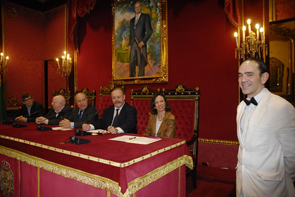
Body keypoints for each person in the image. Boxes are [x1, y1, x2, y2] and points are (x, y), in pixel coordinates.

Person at [236, 57, 295, 196]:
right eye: (240, 75)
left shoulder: (281, 107)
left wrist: (283, 179)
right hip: (242, 183)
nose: (243, 79)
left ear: (264, 78)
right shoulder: (241, 106)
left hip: (270, 187)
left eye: (249, 74)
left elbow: (292, 156)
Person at [128, 1, 153, 77]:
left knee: (140, 62)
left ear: (141, 7)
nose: (137, 8)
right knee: (132, 61)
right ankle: (131, 78)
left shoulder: (145, 17)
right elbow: (131, 34)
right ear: (135, 9)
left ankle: (141, 79)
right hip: (133, 44)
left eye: (138, 6)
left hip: (141, 44)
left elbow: (149, 31)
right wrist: (129, 45)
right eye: (136, 7)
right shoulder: (132, 21)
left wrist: (143, 42)